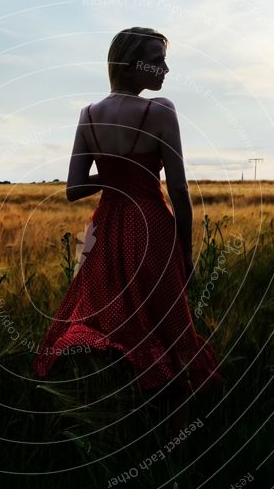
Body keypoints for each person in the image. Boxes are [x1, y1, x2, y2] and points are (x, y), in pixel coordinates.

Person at [32, 27, 224, 437]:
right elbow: (179, 190)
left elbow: (73, 190)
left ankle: (118, 426)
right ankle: (173, 436)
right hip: (152, 229)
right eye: (155, 59)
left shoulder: (88, 115)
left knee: (114, 325)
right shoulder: (161, 111)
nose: (165, 69)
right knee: (167, 329)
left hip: (107, 230)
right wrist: (186, 254)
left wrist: (114, 177)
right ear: (129, 62)